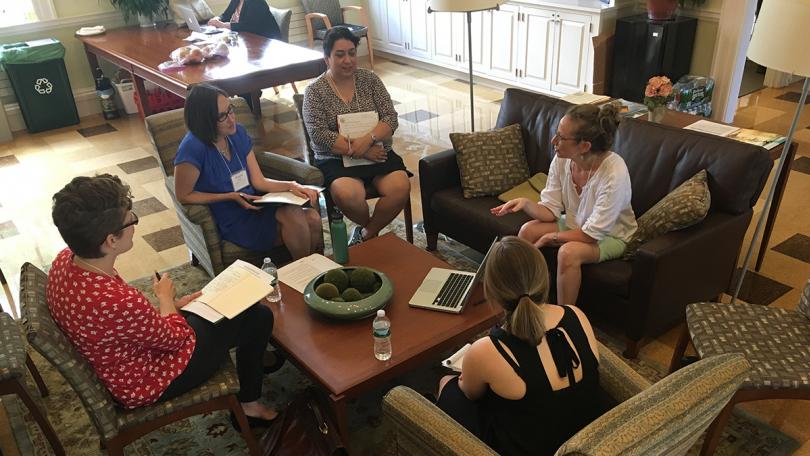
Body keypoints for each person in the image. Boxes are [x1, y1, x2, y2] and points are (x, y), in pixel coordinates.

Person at [47, 174, 278, 426]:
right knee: (258, 316)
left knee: (245, 315)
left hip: (121, 358)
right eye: (131, 219)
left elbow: (118, 324)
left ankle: (252, 373)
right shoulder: (117, 300)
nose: (134, 223)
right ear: (111, 241)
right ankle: (249, 403)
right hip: (147, 381)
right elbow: (175, 338)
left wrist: (169, 308)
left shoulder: (64, 260)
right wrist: (166, 299)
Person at [436, 236, 603, 455]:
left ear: (492, 291)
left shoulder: (487, 349)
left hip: (530, 445)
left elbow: (470, 394)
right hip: (584, 440)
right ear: (545, 278)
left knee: (446, 382)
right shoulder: (576, 315)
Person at [491, 104, 636, 306]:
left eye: (561, 137)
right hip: (575, 223)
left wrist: (554, 236)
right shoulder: (563, 159)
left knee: (568, 253)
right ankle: (523, 302)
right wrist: (526, 203)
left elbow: (591, 235)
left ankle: (565, 317)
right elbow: (550, 210)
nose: (553, 141)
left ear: (584, 146)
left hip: (611, 235)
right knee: (527, 230)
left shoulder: (614, 174)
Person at [174, 84, 322, 260]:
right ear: (205, 120)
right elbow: (184, 195)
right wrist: (229, 196)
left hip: (255, 202)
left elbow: (259, 181)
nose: (231, 119)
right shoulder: (192, 148)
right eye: (222, 116)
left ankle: (308, 274)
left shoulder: (237, 133)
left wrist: (291, 186)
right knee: (297, 217)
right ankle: (304, 275)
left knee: (311, 217)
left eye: (230, 110)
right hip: (231, 214)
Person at [302, 26, 410, 245]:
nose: (348, 60)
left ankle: (366, 233)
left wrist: (368, 142)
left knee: (400, 187)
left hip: (378, 152)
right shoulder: (315, 91)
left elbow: (390, 117)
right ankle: (372, 229)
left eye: (352, 53)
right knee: (347, 195)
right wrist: (360, 151)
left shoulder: (370, 80)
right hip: (336, 159)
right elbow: (319, 134)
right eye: (339, 55)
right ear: (327, 59)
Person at [208, 0, 281, 40]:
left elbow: (248, 25)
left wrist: (222, 25)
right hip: (248, 38)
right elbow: (226, 15)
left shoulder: (256, 1)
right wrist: (217, 19)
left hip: (266, 40)